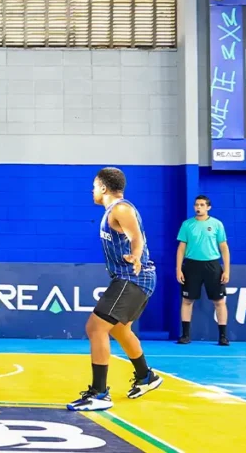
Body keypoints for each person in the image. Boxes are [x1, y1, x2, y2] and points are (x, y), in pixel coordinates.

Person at [67, 167, 163, 412]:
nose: (91, 190)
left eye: (93, 186)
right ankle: (146, 376)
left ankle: (99, 393)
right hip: (133, 278)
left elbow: (136, 237)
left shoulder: (121, 208)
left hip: (132, 277)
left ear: (103, 188)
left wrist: (137, 256)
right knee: (120, 330)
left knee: (95, 327)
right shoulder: (113, 211)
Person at [176, 195, 231, 346]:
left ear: (208, 207)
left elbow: (224, 247)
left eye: (201, 205)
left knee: (219, 301)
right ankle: (185, 335)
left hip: (212, 266)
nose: (198, 207)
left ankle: (223, 337)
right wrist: (178, 269)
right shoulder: (187, 225)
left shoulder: (217, 224)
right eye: (196, 205)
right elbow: (181, 248)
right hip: (192, 266)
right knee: (187, 300)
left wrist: (226, 270)